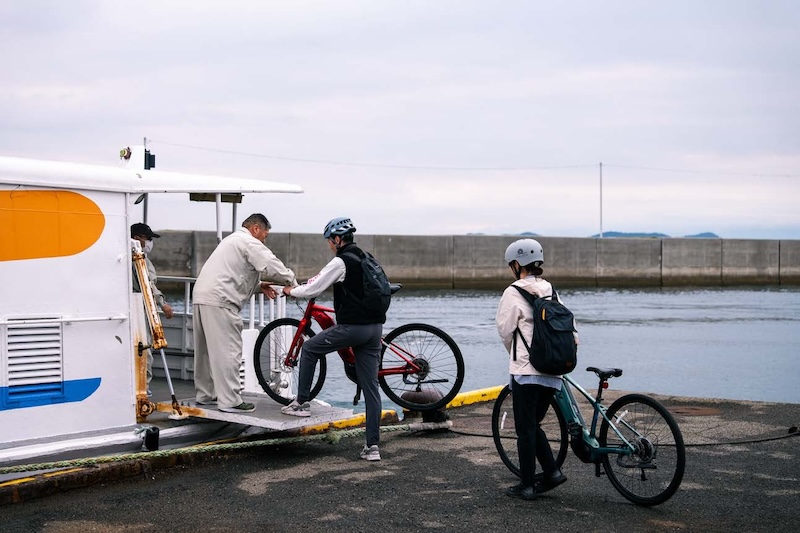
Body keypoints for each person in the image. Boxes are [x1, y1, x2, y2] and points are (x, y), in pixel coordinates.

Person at [280, 217, 385, 462]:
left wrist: (289, 291)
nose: (329, 244)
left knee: (309, 348)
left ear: (337, 239)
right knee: (371, 388)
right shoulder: (365, 257)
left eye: (330, 240)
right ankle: (372, 448)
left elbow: (313, 288)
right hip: (374, 329)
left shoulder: (341, 261)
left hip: (353, 328)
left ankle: (301, 404)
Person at [192, 213, 297, 413]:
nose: (264, 240)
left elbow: (234, 274)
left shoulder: (231, 241)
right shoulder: (248, 241)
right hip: (221, 300)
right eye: (265, 236)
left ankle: (206, 395)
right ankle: (230, 401)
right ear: (256, 228)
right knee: (229, 351)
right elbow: (270, 264)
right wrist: (292, 282)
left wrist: (258, 286)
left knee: (205, 352)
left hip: (202, 297)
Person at [495, 238, 572, 500]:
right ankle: (551, 472)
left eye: (511, 264)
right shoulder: (551, 290)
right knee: (532, 424)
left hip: (526, 371)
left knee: (525, 429)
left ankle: (527, 485)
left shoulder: (513, 292)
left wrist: (516, 357)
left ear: (517, 264)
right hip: (553, 371)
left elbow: (505, 331)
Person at [131, 222, 174, 396]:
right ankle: (142, 389)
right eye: (147, 239)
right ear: (136, 238)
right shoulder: (138, 259)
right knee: (144, 349)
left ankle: (139, 387)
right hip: (139, 307)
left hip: (136, 305)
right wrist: (162, 303)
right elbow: (148, 284)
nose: (149, 243)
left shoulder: (135, 257)